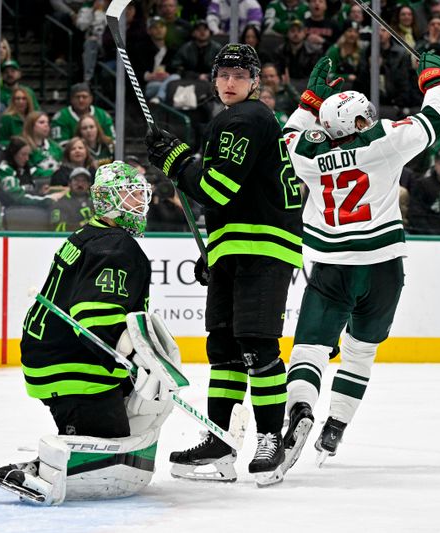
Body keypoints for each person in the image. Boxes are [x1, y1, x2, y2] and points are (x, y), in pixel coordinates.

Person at [275, 53, 440, 475]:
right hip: (383, 267)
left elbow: (283, 138)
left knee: (311, 348)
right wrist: (433, 76)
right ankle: (336, 423)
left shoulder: (307, 152)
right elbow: (439, 116)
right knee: (360, 350)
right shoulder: (386, 141)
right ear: (361, 122)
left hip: (332, 265)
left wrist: (307, 103)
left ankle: (301, 407)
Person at [145, 43, 303, 484]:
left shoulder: (246, 118)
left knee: (256, 346)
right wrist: (214, 248)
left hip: (263, 247)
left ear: (255, 82)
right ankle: (220, 439)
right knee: (226, 350)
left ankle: (273, 438)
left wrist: (176, 160)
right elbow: (232, 200)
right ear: (214, 81)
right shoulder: (236, 120)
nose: (230, 83)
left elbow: (216, 190)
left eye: (240, 75)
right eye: (224, 75)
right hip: (240, 243)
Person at [0, 161, 178, 505]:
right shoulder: (116, 247)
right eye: (133, 195)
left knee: (125, 425)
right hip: (74, 365)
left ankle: (62, 448)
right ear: (112, 201)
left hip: (55, 354)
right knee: (109, 449)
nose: (141, 203)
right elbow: (94, 317)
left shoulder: (91, 235)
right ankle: (45, 468)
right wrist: (134, 361)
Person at [0, 136, 65, 207]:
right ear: (13, 154)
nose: (27, 158)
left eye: (28, 155)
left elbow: (29, 191)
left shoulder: (25, 168)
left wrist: (40, 192)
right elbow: (18, 198)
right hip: (14, 211)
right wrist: (47, 200)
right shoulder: (5, 170)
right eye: (23, 154)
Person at [49, 166, 93, 232]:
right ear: (69, 183)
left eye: (84, 181)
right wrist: (80, 226)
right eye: (76, 180)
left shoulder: (96, 200)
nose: (80, 184)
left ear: (89, 184)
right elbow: (56, 227)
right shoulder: (60, 203)